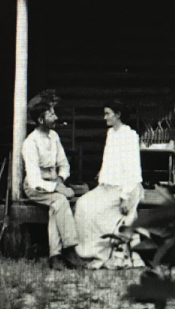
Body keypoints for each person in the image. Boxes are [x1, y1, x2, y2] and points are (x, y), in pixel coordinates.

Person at [21, 90, 87, 270]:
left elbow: (64, 165)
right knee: (60, 200)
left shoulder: (54, 136)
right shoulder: (30, 143)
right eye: (51, 113)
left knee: (56, 206)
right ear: (41, 120)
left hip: (54, 183)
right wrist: (57, 188)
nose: (55, 116)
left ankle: (55, 255)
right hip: (36, 187)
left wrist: (59, 180)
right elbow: (35, 180)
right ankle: (70, 249)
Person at [74, 103, 145, 269]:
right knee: (82, 205)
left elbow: (132, 169)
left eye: (108, 113)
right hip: (109, 186)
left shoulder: (129, 135)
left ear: (118, 114)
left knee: (96, 211)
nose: (104, 117)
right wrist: (102, 177)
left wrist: (125, 197)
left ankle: (104, 254)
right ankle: (87, 253)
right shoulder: (111, 133)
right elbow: (109, 161)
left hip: (127, 187)